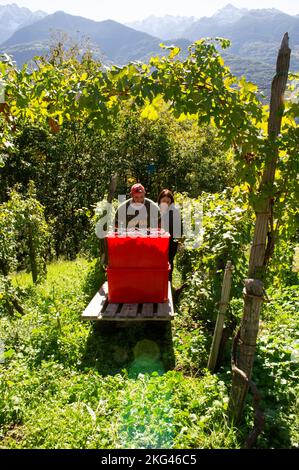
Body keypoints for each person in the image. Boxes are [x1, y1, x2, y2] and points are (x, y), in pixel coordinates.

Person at [158, 189, 183, 282]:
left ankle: (168, 282)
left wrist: (179, 242)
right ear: (160, 200)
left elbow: (179, 228)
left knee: (169, 261)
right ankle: (158, 281)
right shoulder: (156, 211)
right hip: (158, 241)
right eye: (163, 201)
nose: (166, 204)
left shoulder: (175, 212)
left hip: (171, 242)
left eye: (168, 202)